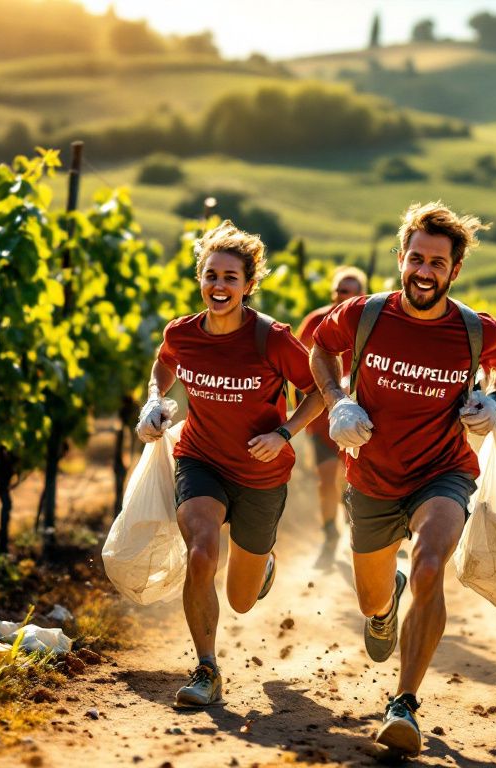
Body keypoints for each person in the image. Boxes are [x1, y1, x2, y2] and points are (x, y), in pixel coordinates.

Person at [310, 202, 496, 756]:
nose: (424, 271)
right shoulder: (365, 315)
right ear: (400, 258)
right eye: (416, 258)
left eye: (437, 263)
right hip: (374, 477)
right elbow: (320, 350)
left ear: (454, 271)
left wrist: (494, 398)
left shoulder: (474, 329)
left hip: (443, 472)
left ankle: (404, 703)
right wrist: (337, 401)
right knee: (371, 598)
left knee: (430, 563)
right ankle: (385, 608)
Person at [136, 221, 325, 708]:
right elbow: (165, 360)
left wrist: (283, 433)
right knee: (201, 551)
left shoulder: (272, 339)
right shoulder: (182, 332)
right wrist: (155, 398)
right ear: (200, 279)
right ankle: (206, 668)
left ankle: (262, 564)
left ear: (248, 284)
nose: (219, 286)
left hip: (262, 474)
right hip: (200, 459)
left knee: (242, 597)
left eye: (230, 278)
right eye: (211, 276)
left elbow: (319, 392)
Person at [297, 266, 368, 569]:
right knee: (327, 479)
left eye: (350, 291)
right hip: (321, 419)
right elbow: (301, 364)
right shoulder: (315, 321)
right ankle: (329, 536)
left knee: (354, 482)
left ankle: (361, 538)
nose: (344, 296)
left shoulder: (369, 323)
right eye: (340, 290)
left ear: (361, 294)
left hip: (362, 420)